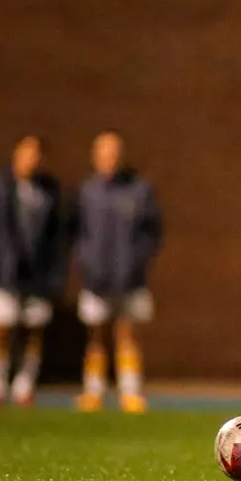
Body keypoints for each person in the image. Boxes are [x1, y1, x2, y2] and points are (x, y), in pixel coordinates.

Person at [71, 130, 162, 413]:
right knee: (96, 334)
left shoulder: (139, 189)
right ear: (95, 157)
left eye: (114, 154)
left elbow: (153, 232)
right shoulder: (86, 192)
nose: (109, 159)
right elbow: (76, 233)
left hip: (130, 279)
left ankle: (131, 391)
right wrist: (86, 261)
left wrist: (136, 261)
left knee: (128, 333)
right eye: (104, 154)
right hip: (96, 279)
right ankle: (93, 391)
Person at [0, 134, 64, 406]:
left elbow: (55, 237)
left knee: (32, 332)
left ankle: (24, 386)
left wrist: (54, 275)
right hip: (3, 274)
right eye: (26, 153)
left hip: (37, 276)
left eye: (36, 154)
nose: (30, 160)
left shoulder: (48, 190)